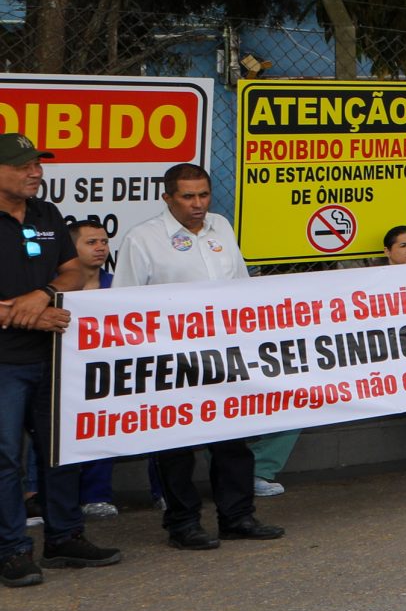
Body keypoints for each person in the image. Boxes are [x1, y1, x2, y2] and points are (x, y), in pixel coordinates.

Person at [118, 162, 291, 494]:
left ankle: (238, 516)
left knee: (231, 442)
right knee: (177, 448)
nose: (197, 204)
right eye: (187, 197)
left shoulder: (221, 227)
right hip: (172, 357)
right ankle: (184, 524)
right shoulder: (143, 238)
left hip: (224, 353)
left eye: (204, 195)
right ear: (167, 198)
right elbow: (125, 303)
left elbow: (240, 284)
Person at [0, 135, 121, 586]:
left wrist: (41, 296)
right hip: (5, 361)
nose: (36, 172)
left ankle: (64, 538)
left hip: (54, 354)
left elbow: (72, 271)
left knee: (61, 449)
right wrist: (29, 316)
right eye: (23, 165)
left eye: (38, 164)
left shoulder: (46, 214)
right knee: (7, 457)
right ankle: (12, 550)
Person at [54, 219, 127, 517]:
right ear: (72, 249)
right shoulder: (55, 287)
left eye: (104, 242)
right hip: (63, 374)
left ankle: (97, 495)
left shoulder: (118, 284)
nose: (100, 248)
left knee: (103, 426)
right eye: (91, 242)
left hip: (105, 373)